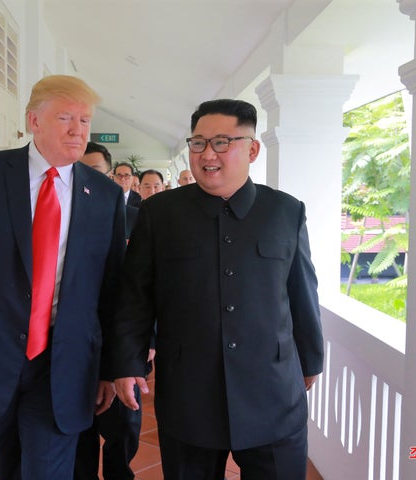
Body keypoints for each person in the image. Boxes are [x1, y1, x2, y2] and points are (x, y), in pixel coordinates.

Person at [0, 75, 126, 480]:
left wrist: (110, 366)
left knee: (46, 470)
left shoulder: (103, 195)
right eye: (66, 117)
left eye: (85, 120)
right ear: (34, 120)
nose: (77, 130)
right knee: (7, 468)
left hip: (63, 362)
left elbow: (112, 287)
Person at [110, 99, 323, 480]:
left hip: (272, 392)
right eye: (198, 143)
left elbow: (301, 292)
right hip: (189, 392)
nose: (208, 154)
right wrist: (127, 362)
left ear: (252, 149)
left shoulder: (286, 211)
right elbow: (135, 296)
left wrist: (311, 360)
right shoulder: (159, 214)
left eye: (223, 142)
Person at [73, 142, 145, 480]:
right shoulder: (57, 215)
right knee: (77, 431)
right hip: (76, 345)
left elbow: (148, 284)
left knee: (123, 427)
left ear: (111, 176)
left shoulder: (136, 217)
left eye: (95, 172)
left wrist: (150, 337)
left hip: (122, 343)